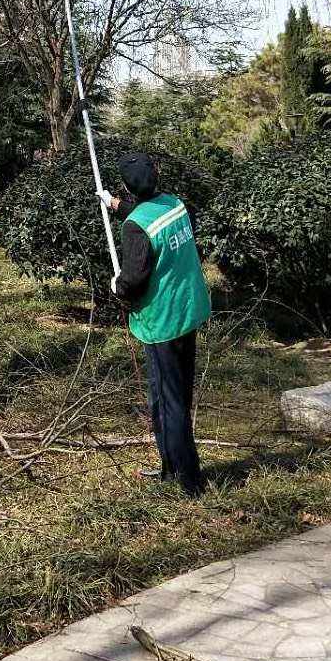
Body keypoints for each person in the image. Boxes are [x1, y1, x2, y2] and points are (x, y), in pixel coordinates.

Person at [99, 153, 210, 496]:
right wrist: (115, 205)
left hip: (161, 322)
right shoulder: (176, 205)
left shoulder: (136, 227)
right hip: (187, 311)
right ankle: (170, 466)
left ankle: (190, 481)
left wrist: (116, 285)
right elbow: (153, 221)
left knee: (167, 399)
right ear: (156, 176)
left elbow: (133, 279)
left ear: (127, 185)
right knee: (176, 394)